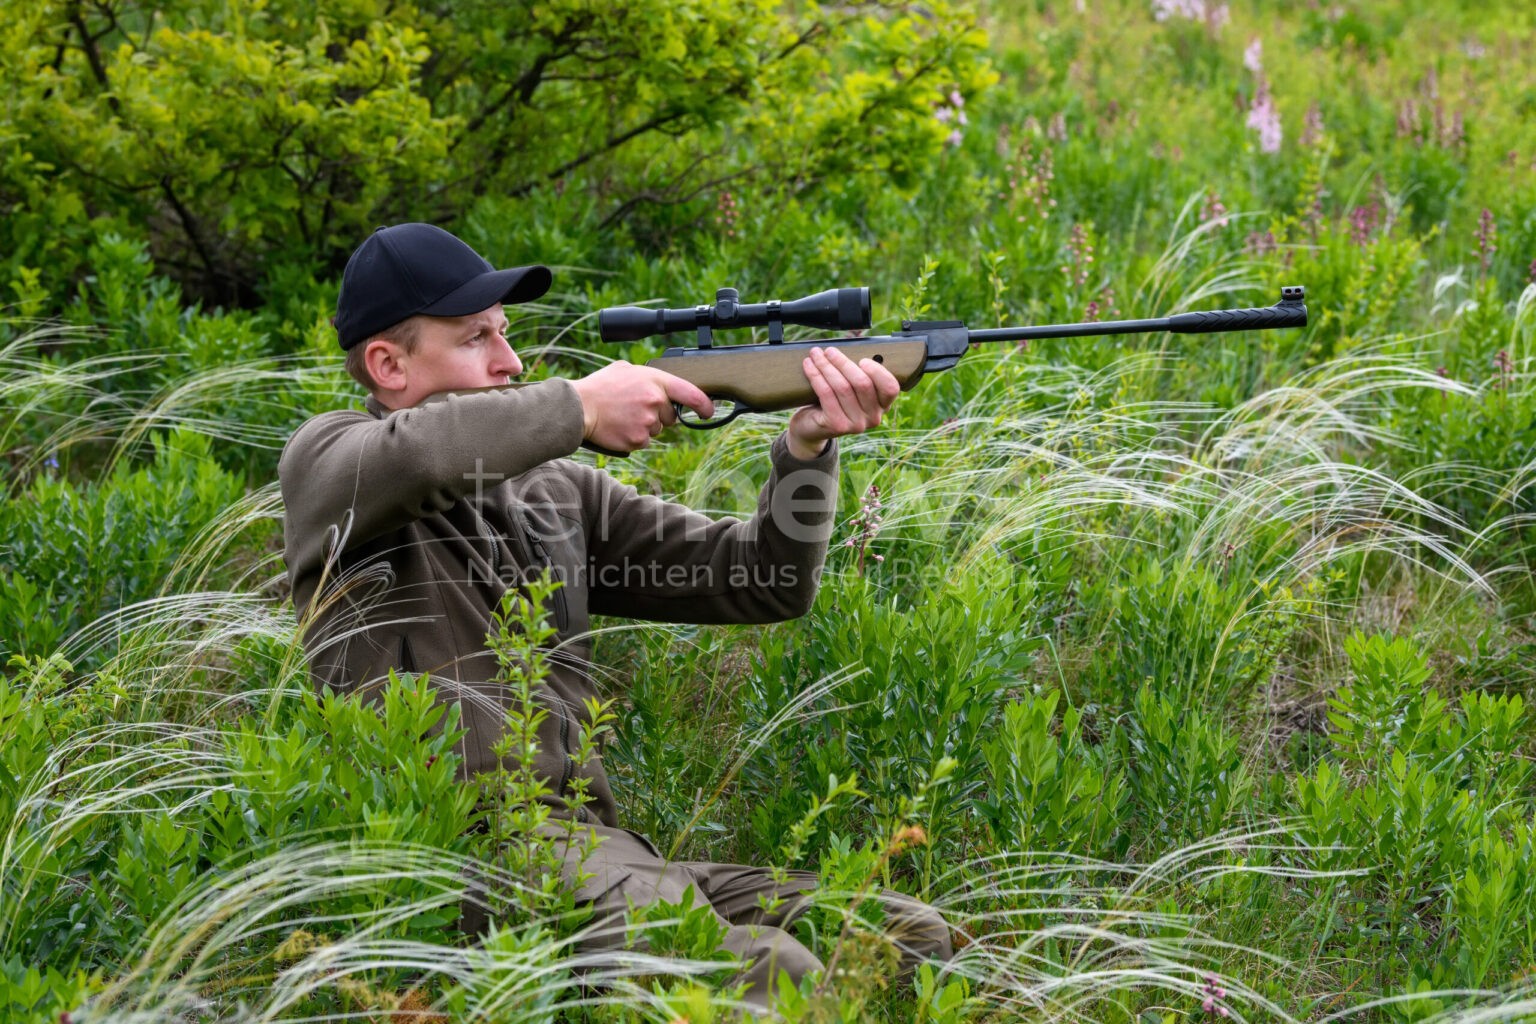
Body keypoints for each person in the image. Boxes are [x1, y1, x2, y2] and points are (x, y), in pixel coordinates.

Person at [278, 223, 952, 1010]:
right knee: (771, 971)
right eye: (476, 340)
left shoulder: (554, 489)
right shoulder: (329, 466)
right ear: (387, 364)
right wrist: (580, 403)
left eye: (506, 333)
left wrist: (805, 451)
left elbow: (763, 580)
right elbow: (421, 456)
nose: (512, 361)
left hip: (599, 849)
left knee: (905, 934)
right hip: (463, 850)